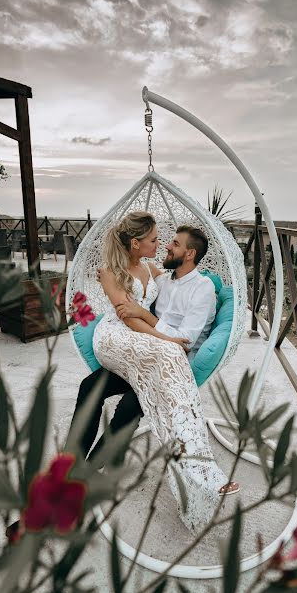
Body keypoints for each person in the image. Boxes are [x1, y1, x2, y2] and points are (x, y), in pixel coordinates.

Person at [82, 211, 239, 532]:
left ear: (189, 253)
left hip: (145, 343)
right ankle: (195, 464)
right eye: (157, 239)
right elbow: (128, 315)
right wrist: (164, 336)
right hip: (124, 339)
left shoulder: (170, 276)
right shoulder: (146, 273)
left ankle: (197, 465)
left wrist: (151, 323)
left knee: (139, 399)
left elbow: (170, 324)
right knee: (160, 359)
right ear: (137, 242)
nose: (164, 245)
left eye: (171, 242)